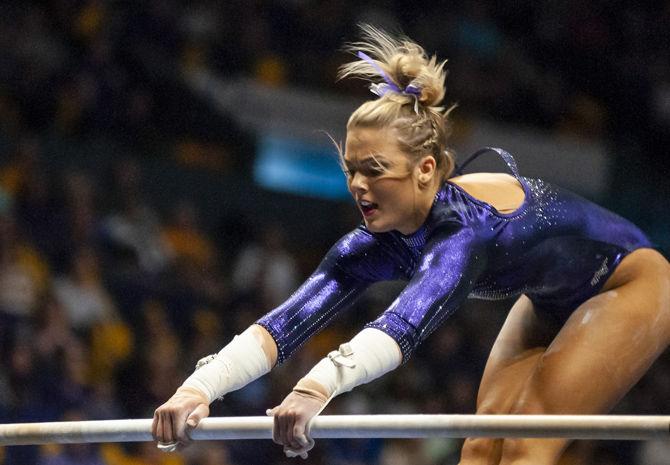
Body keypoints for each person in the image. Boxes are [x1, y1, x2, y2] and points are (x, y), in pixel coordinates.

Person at [152, 25, 670, 465]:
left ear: (425, 170)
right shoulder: (370, 242)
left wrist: (315, 388)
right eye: (351, 169)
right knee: (482, 442)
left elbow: (405, 324)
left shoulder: (466, 228)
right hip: (551, 297)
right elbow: (283, 325)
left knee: (527, 438)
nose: (357, 184)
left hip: (630, 281)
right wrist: (198, 388)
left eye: (373, 170)